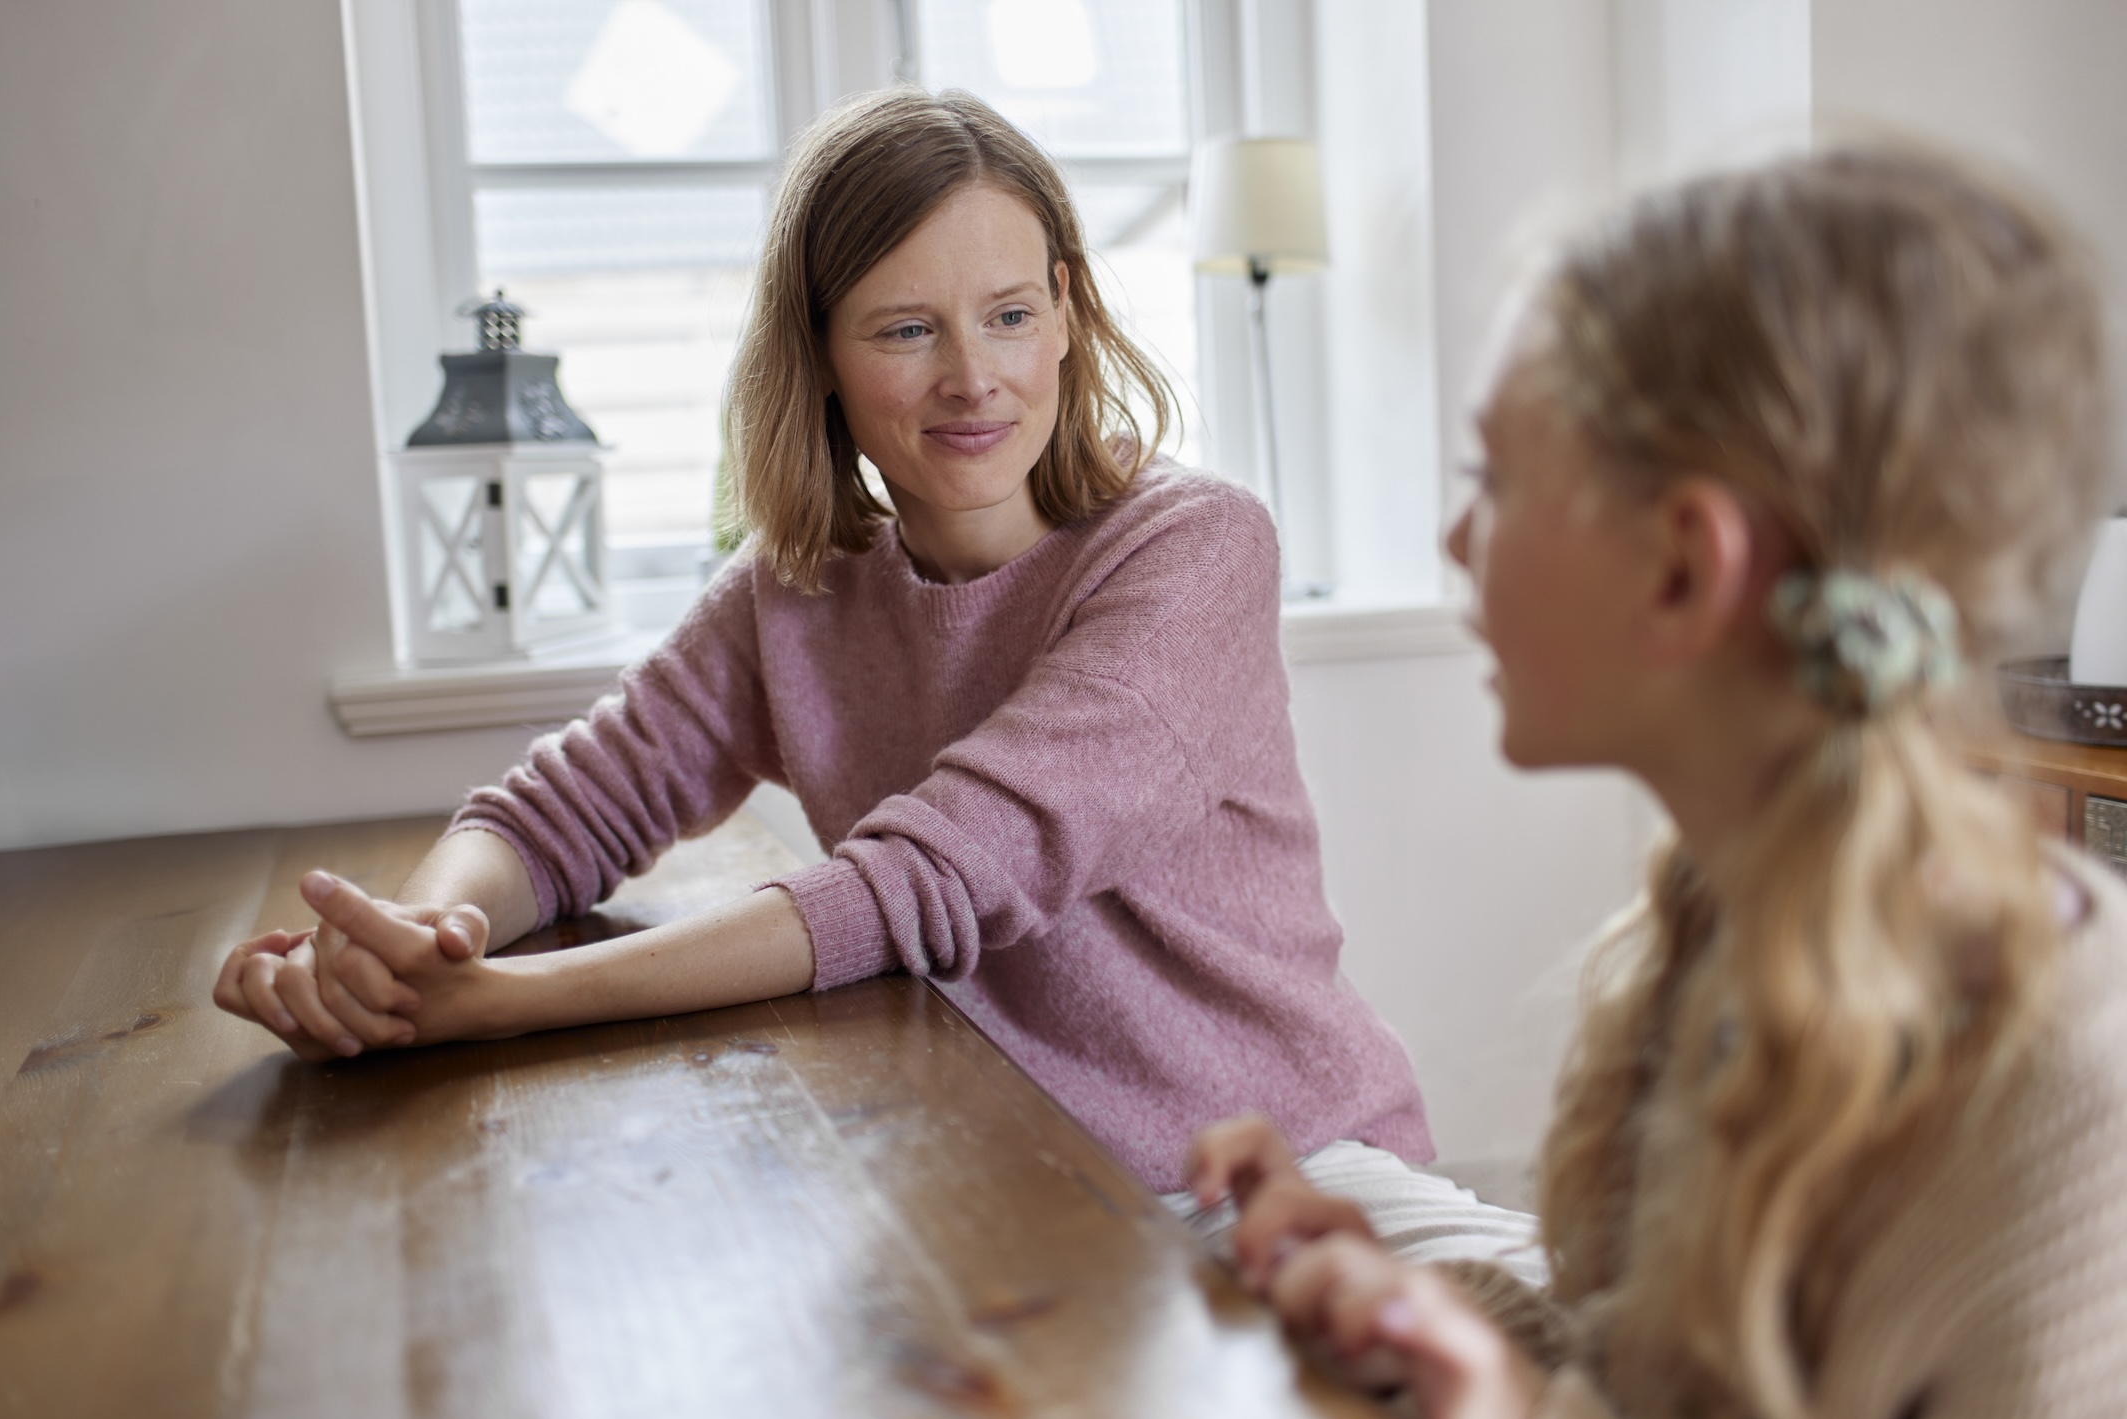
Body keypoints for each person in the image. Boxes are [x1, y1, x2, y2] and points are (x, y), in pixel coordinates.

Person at [209, 87, 1531, 1259]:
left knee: (1576, 1387)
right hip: (1007, 1192)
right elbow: (566, 809)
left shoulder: (1194, 550)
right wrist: (412, 949)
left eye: (1009, 315)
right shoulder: (797, 589)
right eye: (904, 330)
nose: (972, 379)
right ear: (822, 356)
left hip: (1288, 1172)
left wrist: (499, 1004)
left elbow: (931, 878)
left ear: (1068, 313)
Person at [1189, 144, 2127, 1419]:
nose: (1456, 541)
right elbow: (1670, 1395)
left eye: (1492, 484)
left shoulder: (2060, 1096)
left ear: (1684, 567)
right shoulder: (1722, 927)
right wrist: (1414, 1311)